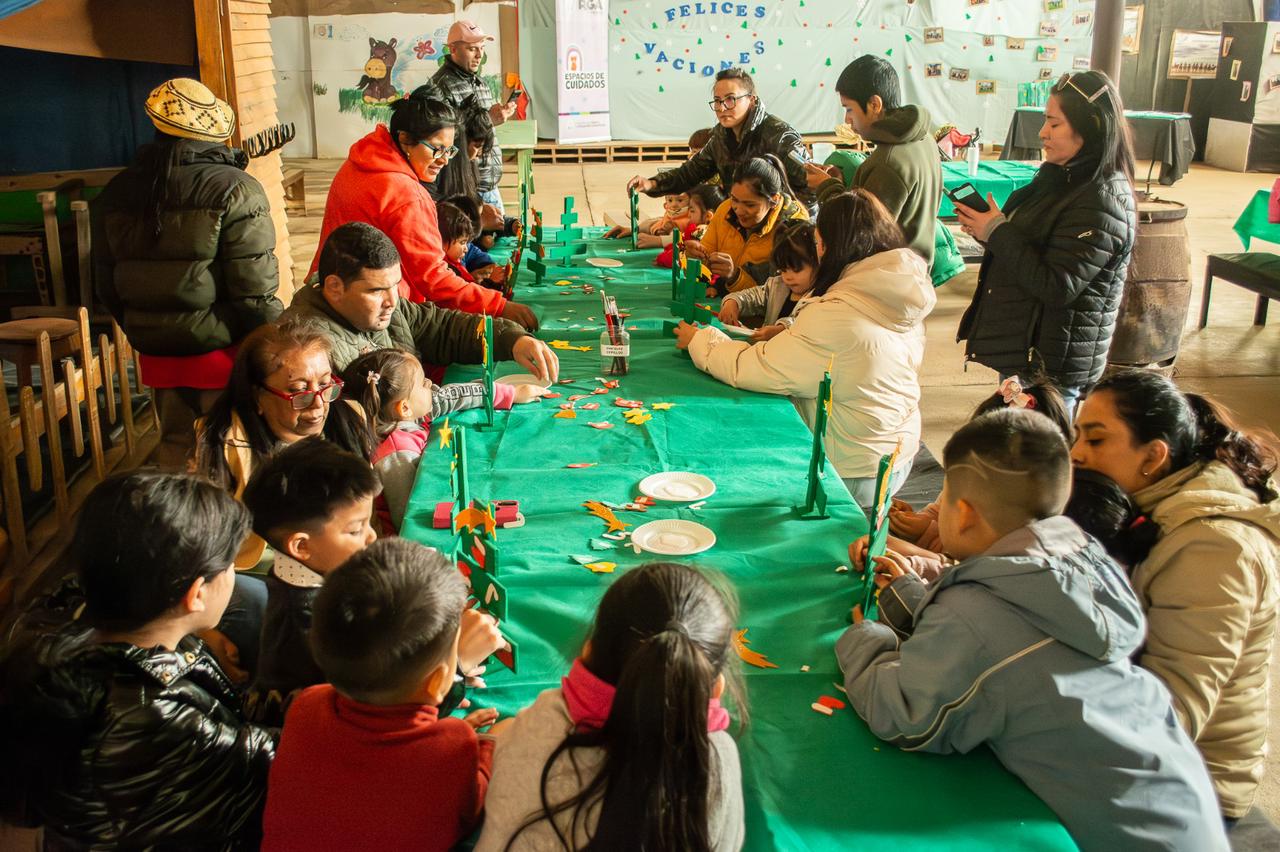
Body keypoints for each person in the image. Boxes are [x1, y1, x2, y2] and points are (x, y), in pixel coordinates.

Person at [837, 410, 1228, 852]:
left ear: (963, 514)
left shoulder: (973, 615)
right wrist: (916, 593)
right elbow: (1012, 637)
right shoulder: (1085, 560)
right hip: (1180, 812)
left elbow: (905, 717)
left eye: (943, 499)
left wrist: (869, 640)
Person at [0, 472, 277, 850]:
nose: (232, 573)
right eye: (229, 562)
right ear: (196, 594)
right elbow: (268, 763)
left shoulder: (63, 632)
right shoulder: (152, 716)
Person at [1071, 370, 1280, 822]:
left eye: (1095, 440)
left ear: (1153, 456)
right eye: (1076, 437)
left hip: (1197, 784)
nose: (1076, 454)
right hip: (1150, 757)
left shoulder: (1213, 548)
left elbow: (1174, 714)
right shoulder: (1145, 507)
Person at [675, 190, 933, 506]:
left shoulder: (840, 313)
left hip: (852, 473)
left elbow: (756, 368)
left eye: (820, 243)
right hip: (894, 455)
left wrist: (702, 339)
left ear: (835, 247)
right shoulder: (894, 293)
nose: (819, 251)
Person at [475, 562, 745, 851]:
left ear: (587, 651)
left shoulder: (541, 721)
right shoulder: (718, 756)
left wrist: (496, 738)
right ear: (717, 688)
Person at [261, 538, 506, 852]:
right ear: (440, 680)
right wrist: (487, 747)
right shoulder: (454, 743)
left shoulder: (306, 704)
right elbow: (468, 812)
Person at [92, 77, 282, 469]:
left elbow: (105, 283)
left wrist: (143, 327)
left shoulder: (117, 190)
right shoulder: (235, 188)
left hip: (157, 355)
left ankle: (184, 528)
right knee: (234, 454)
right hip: (223, 354)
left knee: (177, 450)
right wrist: (273, 351)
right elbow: (255, 291)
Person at [956, 71, 1137, 412]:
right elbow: (1033, 252)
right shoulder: (1062, 177)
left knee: (1038, 456)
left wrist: (998, 231)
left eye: (1054, 124)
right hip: (1027, 353)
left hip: (1053, 368)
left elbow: (1058, 284)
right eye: (1044, 121)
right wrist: (990, 231)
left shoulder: (1101, 199)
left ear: (1092, 127)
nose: (1042, 133)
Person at [310, 85, 539, 328]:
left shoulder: (362, 161)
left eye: (449, 150)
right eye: (436, 149)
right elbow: (432, 277)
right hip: (367, 311)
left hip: (328, 292)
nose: (444, 160)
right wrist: (498, 306)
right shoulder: (404, 194)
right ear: (405, 139)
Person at [289, 222, 558, 382]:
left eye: (395, 285)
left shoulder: (385, 308)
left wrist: (511, 339)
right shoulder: (305, 349)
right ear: (335, 288)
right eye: (376, 290)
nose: (392, 301)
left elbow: (441, 327)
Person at [241, 438, 380, 726]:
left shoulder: (306, 575)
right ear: (301, 547)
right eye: (355, 530)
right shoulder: (310, 620)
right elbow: (375, 706)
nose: (372, 537)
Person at [342, 348, 542, 531]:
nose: (430, 384)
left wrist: (509, 393)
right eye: (423, 383)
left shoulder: (411, 414)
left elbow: (448, 397)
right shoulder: (396, 456)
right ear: (404, 408)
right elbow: (410, 517)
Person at [891, 376, 1072, 551]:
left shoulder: (1017, 520)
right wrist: (915, 519)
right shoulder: (970, 473)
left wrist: (927, 534)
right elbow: (941, 510)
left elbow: (962, 559)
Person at [806, 56, 942, 266]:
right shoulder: (923, 139)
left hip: (889, 280)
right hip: (915, 272)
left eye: (849, 108)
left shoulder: (887, 162)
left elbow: (857, 236)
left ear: (874, 104)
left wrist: (826, 187)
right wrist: (840, 181)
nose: (847, 119)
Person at [627, 69, 814, 211]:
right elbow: (690, 173)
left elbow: (810, 187)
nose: (722, 107)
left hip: (782, 232)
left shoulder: (779, 135)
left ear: (752, 100)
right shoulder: (720, 138)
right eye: (717, 100)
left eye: (730, 99)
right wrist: (651, 184)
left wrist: (791, 227)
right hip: (742, 223)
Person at [688, 155, 809, 296]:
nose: (738, 209)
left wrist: (734, 276)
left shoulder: (793, 230)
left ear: (774, 200)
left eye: (749, 204)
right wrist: (695, 259)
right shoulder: (725, 210)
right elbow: (703, 269)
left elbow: (779, 295)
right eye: (735, 199)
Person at [432, 20, 516, 214]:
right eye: (472, 49)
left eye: (482, 48)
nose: (479, 55)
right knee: (478, 243)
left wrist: (497, 116)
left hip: (489, 181)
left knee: (503, 238)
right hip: (465, 187)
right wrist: (488, 119)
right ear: (452, 49)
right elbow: (444, 138)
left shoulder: (480, 82)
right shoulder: (440, 86)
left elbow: (480, 126)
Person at [717, 220, 817, 342]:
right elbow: (752, 296)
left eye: (796, 270)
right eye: (783, 270)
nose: (788, 277)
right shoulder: (777, 285)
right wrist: (733, 302)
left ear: (817, 263)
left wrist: (781, 329)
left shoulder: (821, 297)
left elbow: (805, 323)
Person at [655, 184, 725, 269]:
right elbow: (679, 244)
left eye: (692, 211)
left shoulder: (702, 233)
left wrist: (661, 258)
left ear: (708, 216)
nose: (688, 214)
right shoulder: (694, 229)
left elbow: (678, 258)